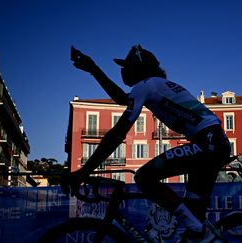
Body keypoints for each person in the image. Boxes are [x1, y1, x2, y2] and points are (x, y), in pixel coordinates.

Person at [68, 45, 231, 242]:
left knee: (144, 177)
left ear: (138, 68)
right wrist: (94, 69)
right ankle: (197, 228)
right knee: (194, 221)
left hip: (208, 144)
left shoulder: (146, 85)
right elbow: (122, 98)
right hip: (214, 144)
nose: (122, 71)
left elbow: (118, 133)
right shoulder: (157, 84)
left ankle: (196, 226)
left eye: (126, 67)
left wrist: (85, 171)